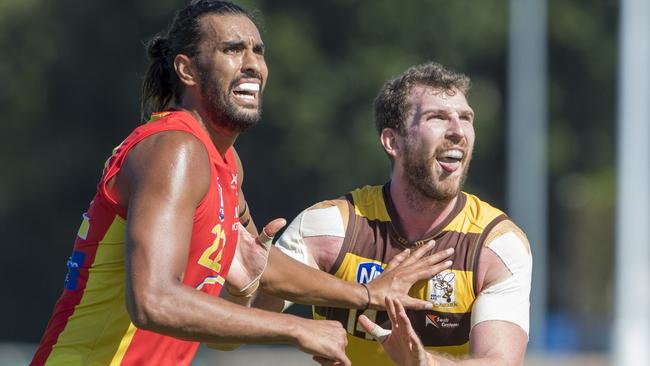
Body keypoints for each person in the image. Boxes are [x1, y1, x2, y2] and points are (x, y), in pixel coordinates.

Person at [30, 2, 454, 365]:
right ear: (187, 69)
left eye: (258, 51)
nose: (253, 64)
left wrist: (364, 294)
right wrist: (296, 328)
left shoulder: (224, 162)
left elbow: (257, 266)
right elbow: (153, 300)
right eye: (233, 49)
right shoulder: (174, 150)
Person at [264, 62, 532, 365]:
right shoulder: (331, 229)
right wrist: (247, 277)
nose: (458, 131)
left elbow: (500, 362)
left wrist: (424, 363)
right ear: (393, 141)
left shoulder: (495, 245)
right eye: (438, 117)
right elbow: (237, 328)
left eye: (466, 118)